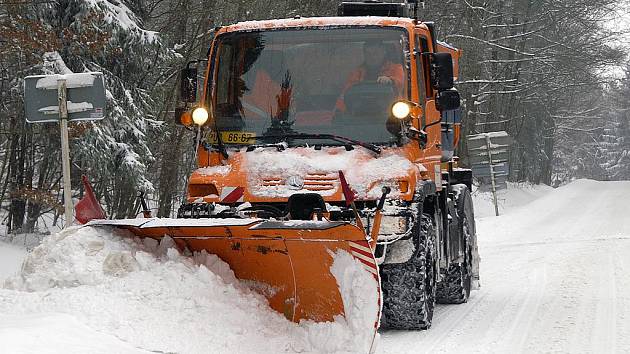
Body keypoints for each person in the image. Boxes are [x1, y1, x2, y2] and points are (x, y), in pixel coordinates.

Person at [335, 40, 404, 113]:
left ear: (383, 53)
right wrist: (338, 112)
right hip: (361, 113)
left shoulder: (396, 68)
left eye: (375, 53)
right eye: (368, 54)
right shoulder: (357, 73)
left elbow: (400, 82)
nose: (372, 57)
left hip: (389, 114)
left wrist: (390, 80)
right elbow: (346, 94)